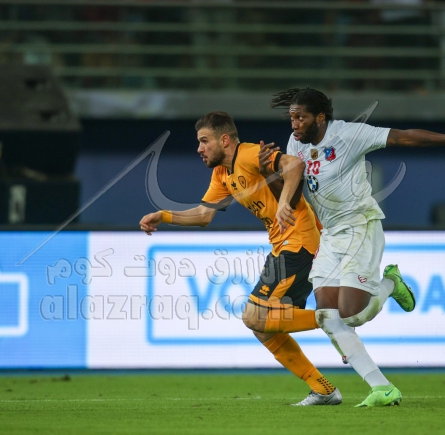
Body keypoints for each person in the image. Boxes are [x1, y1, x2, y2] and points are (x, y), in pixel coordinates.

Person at [259, 87, 445, 407]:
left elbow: (403, 137)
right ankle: (382, 388)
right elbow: (296, 192)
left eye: (300, 118)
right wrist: (269, 172)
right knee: (327, 316)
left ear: (320, 117)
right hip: (331, 234)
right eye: (292, 118)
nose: (294, 124)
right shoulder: (295, 144)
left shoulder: (348, 134)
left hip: (360, 226)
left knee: (352, 315)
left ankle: (390, 284)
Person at [140, 111, 342, 406]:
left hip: (299, 241)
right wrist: (164, 215)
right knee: (262, 327)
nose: (199, 148)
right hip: (282, 247)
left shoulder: (248, 154)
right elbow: (204, 215)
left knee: (253, 317)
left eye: (204, 141)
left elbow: (295, 165)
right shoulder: (222, 174)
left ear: (224, 140)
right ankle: (323, 388)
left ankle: (336, 320)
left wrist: (284, 203)